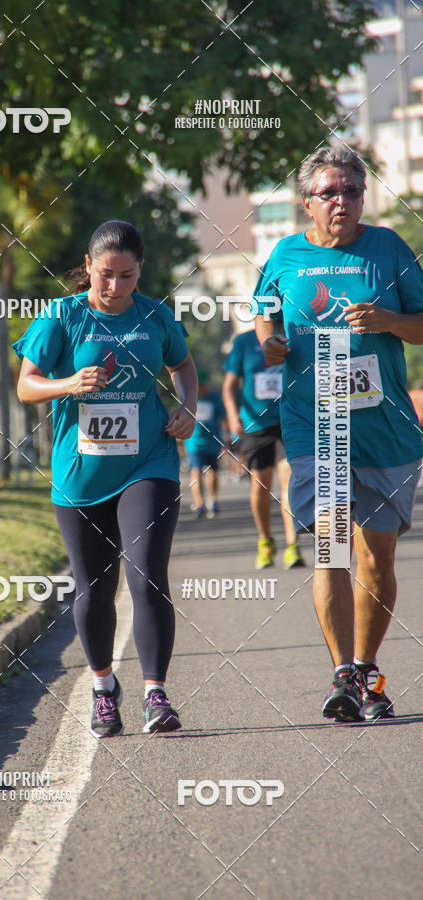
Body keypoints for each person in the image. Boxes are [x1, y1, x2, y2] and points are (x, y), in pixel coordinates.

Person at [254, 144, 423, 721]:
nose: (343, 201)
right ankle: (344, 675)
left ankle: (368, 666)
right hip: (314, 423)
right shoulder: (285, 254)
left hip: (385, 428)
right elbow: (264, 313)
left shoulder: (389, 249)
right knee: (328, 545)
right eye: (330, 192)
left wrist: (390, 322)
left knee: (376, 560)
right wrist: (269, 341)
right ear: (306, 203)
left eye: (352, 190)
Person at [14, 220, 197, 737]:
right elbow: (27, 386)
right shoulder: (61, 317)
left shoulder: (156, 317)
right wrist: (70, 382)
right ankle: (103, 688)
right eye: (106, 274)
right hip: (81, 473)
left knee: (146, 576)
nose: (114, 286)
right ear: (87, 268)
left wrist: (188, 406)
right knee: (93, 589)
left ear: (141, 273)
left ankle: (155, 694)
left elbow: (184, 365)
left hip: (149, 463)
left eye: (127, 275)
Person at [223, 327, 305, 570]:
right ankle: (265, 540)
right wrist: (232, 415)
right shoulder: (244, 341)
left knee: (289, 479)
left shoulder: (297, 333)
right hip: (255, 423)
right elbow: (230, 384)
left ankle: (293, 546)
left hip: (290, 420)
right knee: (261, 485)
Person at [184, 368, 226, 518]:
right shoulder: (188, 397)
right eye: (199, 384)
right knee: (196, 471)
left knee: (213, 472)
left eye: (203, 384)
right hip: (194, 442)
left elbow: (223, 417)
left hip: (212, 442)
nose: (201, 388)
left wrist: (226, 437)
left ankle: (213, 501)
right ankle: (199, 503)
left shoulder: (214, 398)